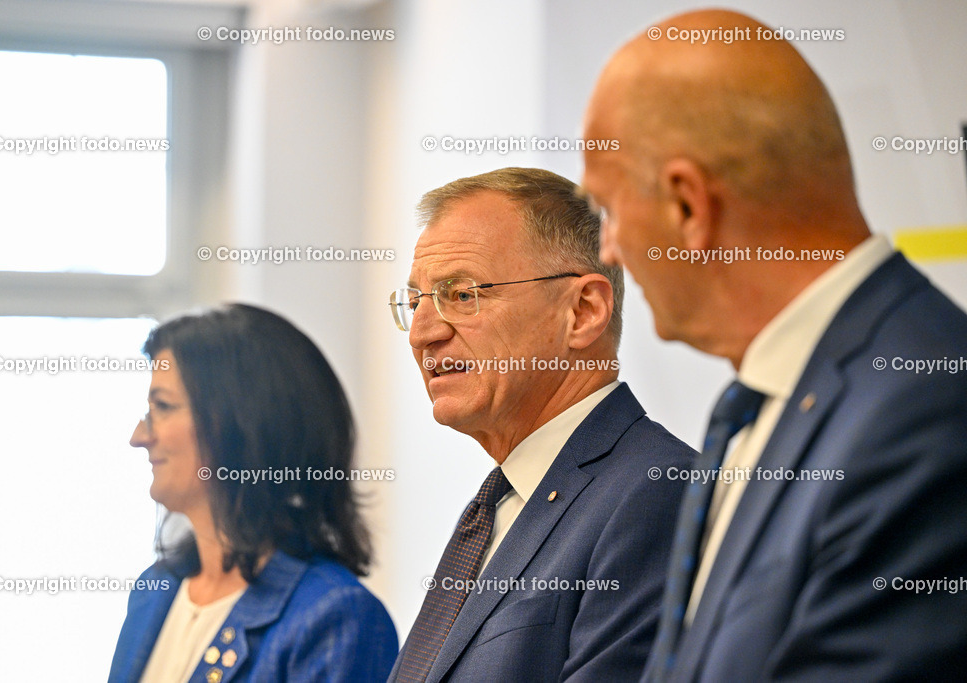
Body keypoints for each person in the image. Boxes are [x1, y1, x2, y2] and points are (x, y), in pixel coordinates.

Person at [582, 8, 967, 681]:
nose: (610, 248)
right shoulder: (757, 409)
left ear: (687, 206)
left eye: (609, 211)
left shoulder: (924, 414)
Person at [386, 167, 695, 682]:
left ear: (583, 311)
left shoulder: (658, 493)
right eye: (416, 301)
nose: (422, 333)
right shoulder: (499, 504)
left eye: (461, 295)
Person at [109, 303, 398, 682]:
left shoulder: (336, 618)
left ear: (243, 424)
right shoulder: (155, 589)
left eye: (162, 407)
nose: (139, 437)